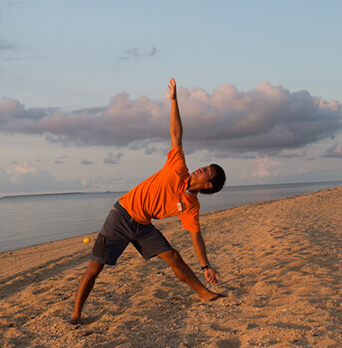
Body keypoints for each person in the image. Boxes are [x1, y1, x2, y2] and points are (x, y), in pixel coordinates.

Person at [70, 78, 226, 325]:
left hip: (142, 225)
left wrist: (206, 265)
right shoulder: (178, 167)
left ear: (208, 185)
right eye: (204, 166)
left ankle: (204, 294)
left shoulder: (192, 206)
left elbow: (196, 236)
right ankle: (76, 313)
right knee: (95, 268)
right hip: (121, 215)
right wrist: (174, 101)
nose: (200, 168)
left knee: (174, 256)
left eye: (206, 171)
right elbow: (176, 133)